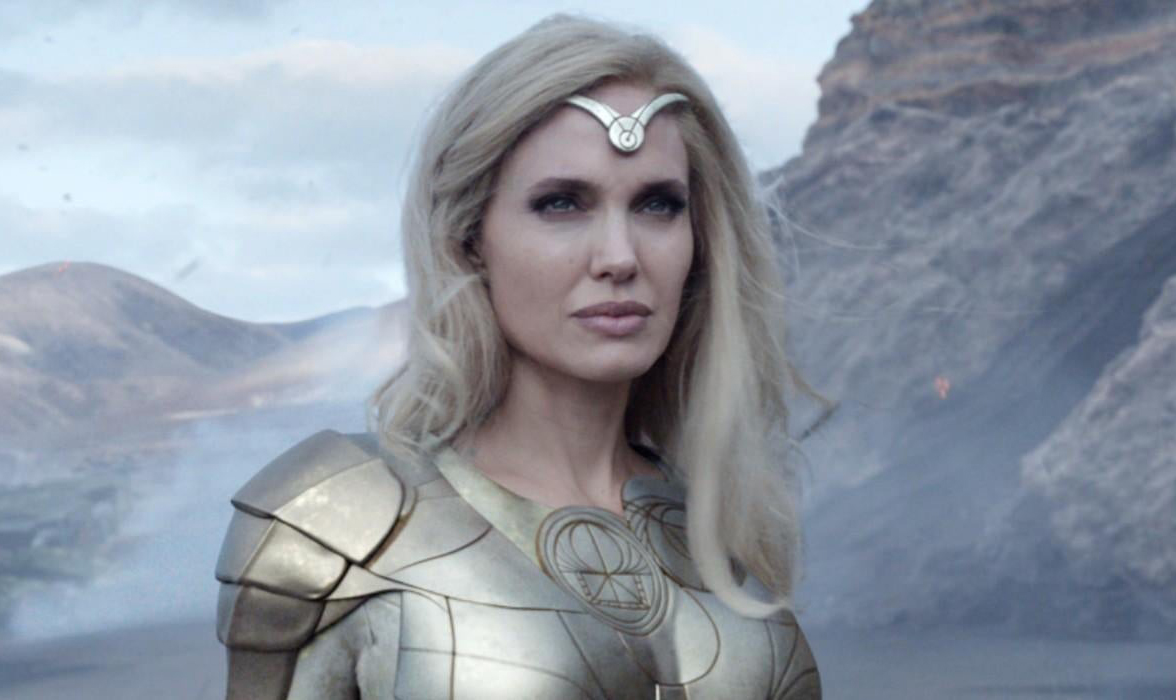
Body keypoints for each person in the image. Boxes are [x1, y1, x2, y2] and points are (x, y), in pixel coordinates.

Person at [214, 13, 823, 699]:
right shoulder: (338, 521)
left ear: (700, 240)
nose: (619, 257)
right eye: (561, 203)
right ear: (469, 237)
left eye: (657, 205)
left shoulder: (718, 526)